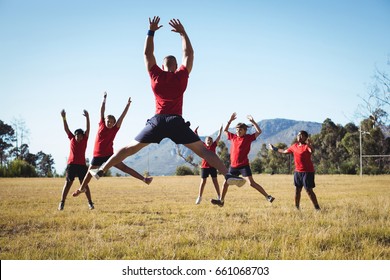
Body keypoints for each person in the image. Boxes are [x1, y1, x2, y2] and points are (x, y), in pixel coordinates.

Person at [87, 16, 244, 188]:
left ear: (162, 66)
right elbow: (189, 54)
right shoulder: (181, 76)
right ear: (177, 66)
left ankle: (101, 169)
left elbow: (147, 53)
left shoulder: (156, 75)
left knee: (128, 148)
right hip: (176, 121)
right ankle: (227, 175)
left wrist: (151, 31)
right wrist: (183, 33)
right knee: (204, 151)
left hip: (158, 120)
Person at [72, 92, 152, 198]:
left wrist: (127, 105)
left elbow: (122, 117)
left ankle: (144, 179)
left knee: (125, 168)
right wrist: (104, 99)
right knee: (89, 174)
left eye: (111, 122)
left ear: (114, 123)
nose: (109, 123)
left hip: (109, 155)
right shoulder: (101, 124)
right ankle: (81, 189)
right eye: (108, 121)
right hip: (97, 155)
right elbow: (102, 110)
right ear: (104, 121)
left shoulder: (115, 129)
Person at [211, 113, 275, 207]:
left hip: (244, 165)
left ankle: (267, 196)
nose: (238, 131)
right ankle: (221, 201)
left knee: (251, 183)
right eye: (237, 129)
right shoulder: (233, 137)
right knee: (225, 183)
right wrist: (230, 121)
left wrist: (253, 122)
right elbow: (225, 130)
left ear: (245, 131)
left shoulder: (248, 138)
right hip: (233, 166)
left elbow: (259, 131)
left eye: (240, 130)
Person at [269, 130, 321, 210]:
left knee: (309, 190)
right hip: (298, 172)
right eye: (298, 135)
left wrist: (310, 145)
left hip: (307, 172)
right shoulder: (294, 146)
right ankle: (297, 208)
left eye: (302, 135)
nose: (299, 137)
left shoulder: (306, 146)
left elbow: (312, 151)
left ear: (305, 138)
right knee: (297, 190)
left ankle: (317, 208)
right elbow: (284, 151)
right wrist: (274, 149)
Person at [58, 109, 94, 210]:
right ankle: (62, 203)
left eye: (80, 135)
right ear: (75, 135)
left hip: (82, 165)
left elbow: (88, 129)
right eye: (77, 135)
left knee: (85, 185)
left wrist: (87, 117)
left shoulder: (85, 139)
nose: (79, 137)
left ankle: (90, 203)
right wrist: (64, 118)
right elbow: (66, 129)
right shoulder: (71, 138)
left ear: (83, 136)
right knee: (68, 184)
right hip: (72, 165)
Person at [194, 125, 222, 204]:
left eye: (210, 140)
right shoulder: (203, 146)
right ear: (205, 141)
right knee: (203, 181)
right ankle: (199, 197)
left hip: (213, 166)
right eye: (207, 140)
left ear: (212, 142)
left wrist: (220, 130)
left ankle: (219, 196)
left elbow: (218, 137)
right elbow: (197, 139)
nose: (209, 142)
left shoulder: (213, 145)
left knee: (215, 181)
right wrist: (196, 132)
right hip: (204, 167)